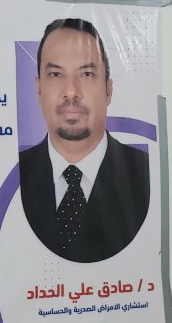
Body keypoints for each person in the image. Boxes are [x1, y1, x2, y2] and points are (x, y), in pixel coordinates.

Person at [19, 18, 149, 263]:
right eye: (56, 74)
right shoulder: (15, 175)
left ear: (108, 90)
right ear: (39, 88)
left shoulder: (146, 172)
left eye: (87, 74)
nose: (71, 91)